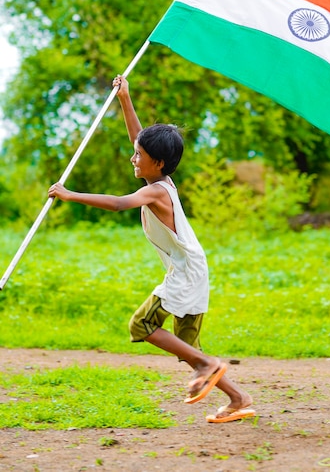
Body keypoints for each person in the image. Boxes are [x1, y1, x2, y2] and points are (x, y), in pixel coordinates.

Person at [48, 74, 255, 423]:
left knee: (141, 326)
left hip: (185, 274)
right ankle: (238, 398)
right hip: (193, 269)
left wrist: (70, 195)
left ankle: (208, 366)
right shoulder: (160, 178)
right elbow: (138, 138)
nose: (133, 158)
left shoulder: (155, 191)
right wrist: (125, 98)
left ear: (157, 162)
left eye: (138, 155)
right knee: (191, 351)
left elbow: (116, 204)